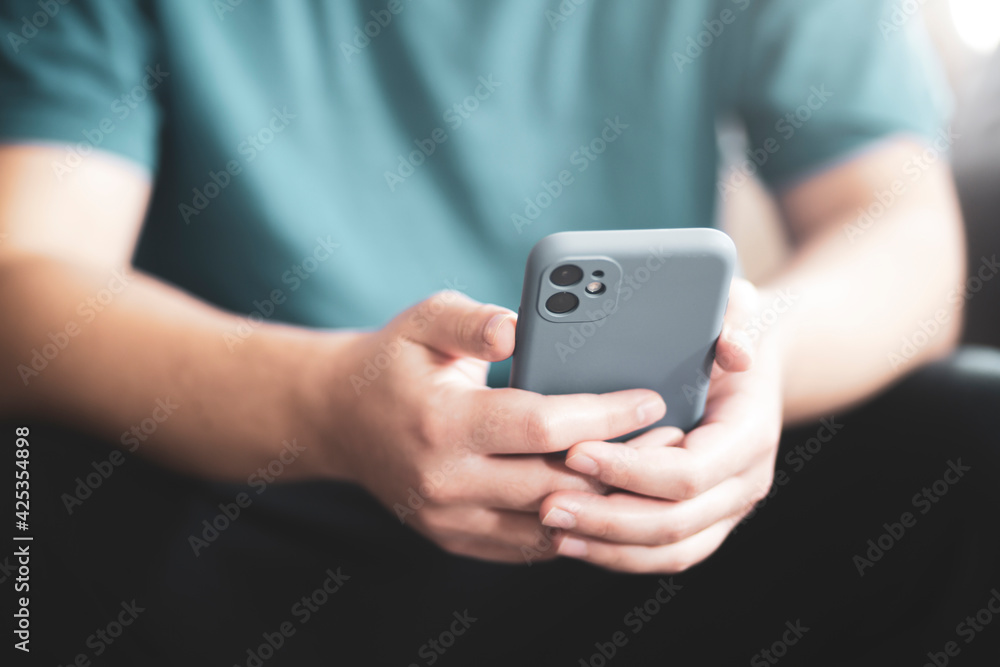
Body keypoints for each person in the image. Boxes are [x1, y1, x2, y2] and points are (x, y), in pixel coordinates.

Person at [2, 1, 996, 664]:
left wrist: (759, 351)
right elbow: (26, 280)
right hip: (245, 500)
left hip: (646, 507)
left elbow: (901, 237)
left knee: (975, 433)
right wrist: (328, 404)